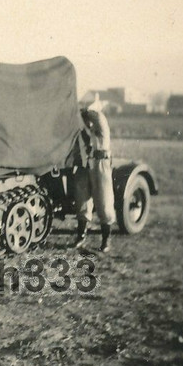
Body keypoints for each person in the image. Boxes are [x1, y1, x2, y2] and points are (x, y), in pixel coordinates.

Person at [73, 98, 116, 252]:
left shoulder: (101, 124)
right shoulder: (85, 129)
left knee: (104, 202)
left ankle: (106, 240)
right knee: (82, 201)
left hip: (101, 164)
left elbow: (95, 116)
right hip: (86, 164)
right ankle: (81, 236)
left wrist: (84, 111)